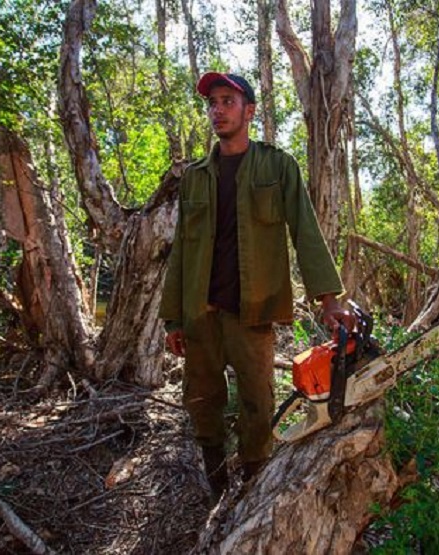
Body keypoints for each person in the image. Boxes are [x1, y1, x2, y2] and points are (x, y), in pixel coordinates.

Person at [158, 72, 354, 502]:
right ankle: (215, 490)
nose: (217, 110)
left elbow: (305, 229)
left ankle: (252, 490)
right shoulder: (195, 176)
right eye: (212, 103)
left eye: (227, 101)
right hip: (200, 314)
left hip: (253, 312)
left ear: (249, 110)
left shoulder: (277, 166)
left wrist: (329, 299)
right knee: (203, 403)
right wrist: (173, 317)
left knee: (258, 408)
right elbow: (182, 253)